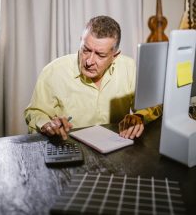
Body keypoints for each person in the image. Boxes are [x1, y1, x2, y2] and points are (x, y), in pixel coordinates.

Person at [24, 15, 162, 140]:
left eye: (100, 55)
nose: (89, 61)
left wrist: (139, 117)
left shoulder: (129, 68)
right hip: (70, 146)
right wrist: (47, 124)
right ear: (80, 42)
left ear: (115, 56)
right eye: (86, 50)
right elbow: (35, 112)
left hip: (117, 147)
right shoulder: (53, 71)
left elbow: (153, 104)